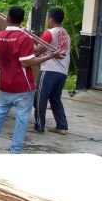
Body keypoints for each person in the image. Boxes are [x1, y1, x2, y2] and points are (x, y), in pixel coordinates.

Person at [0, 6, 65, 153]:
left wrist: (26, 37)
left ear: (7, 18)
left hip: (5, 84)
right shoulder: (24, 38)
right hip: (23, 85)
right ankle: (15, 149)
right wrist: (50, 56)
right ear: (22, 20)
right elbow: (26, 61)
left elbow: (21, 47)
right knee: (22, 119)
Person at [33, 7, 71, 135]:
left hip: (49, 70)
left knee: (39, 98)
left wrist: (27, 40)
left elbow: (38, 50)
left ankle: (39, 125)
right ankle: (62, 126)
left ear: (51, 19)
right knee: (55, 99)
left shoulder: (49, 33)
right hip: (62, 72)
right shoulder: (66, 34)